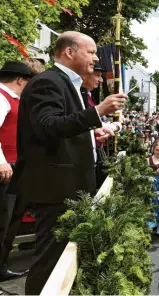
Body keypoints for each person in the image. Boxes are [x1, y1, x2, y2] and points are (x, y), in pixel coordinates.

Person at [15, 31, 127, 294]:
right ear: (69, 52)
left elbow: (65, 129)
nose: (96, 58)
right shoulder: (48, 82)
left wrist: (92, 133)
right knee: (51, 265)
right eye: (91, 52)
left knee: (65, 259)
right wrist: (98, 112)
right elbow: (48, 126)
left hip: (70, 186)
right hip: (57, 189)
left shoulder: (70, 85)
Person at [0, 61, 34, 295]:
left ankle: (1, 267)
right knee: (1, 224)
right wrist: (0, 160)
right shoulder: (1, 97)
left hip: (14, 166)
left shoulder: (14, 99)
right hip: (5, 167)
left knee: (10, 223)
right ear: (21, 80)